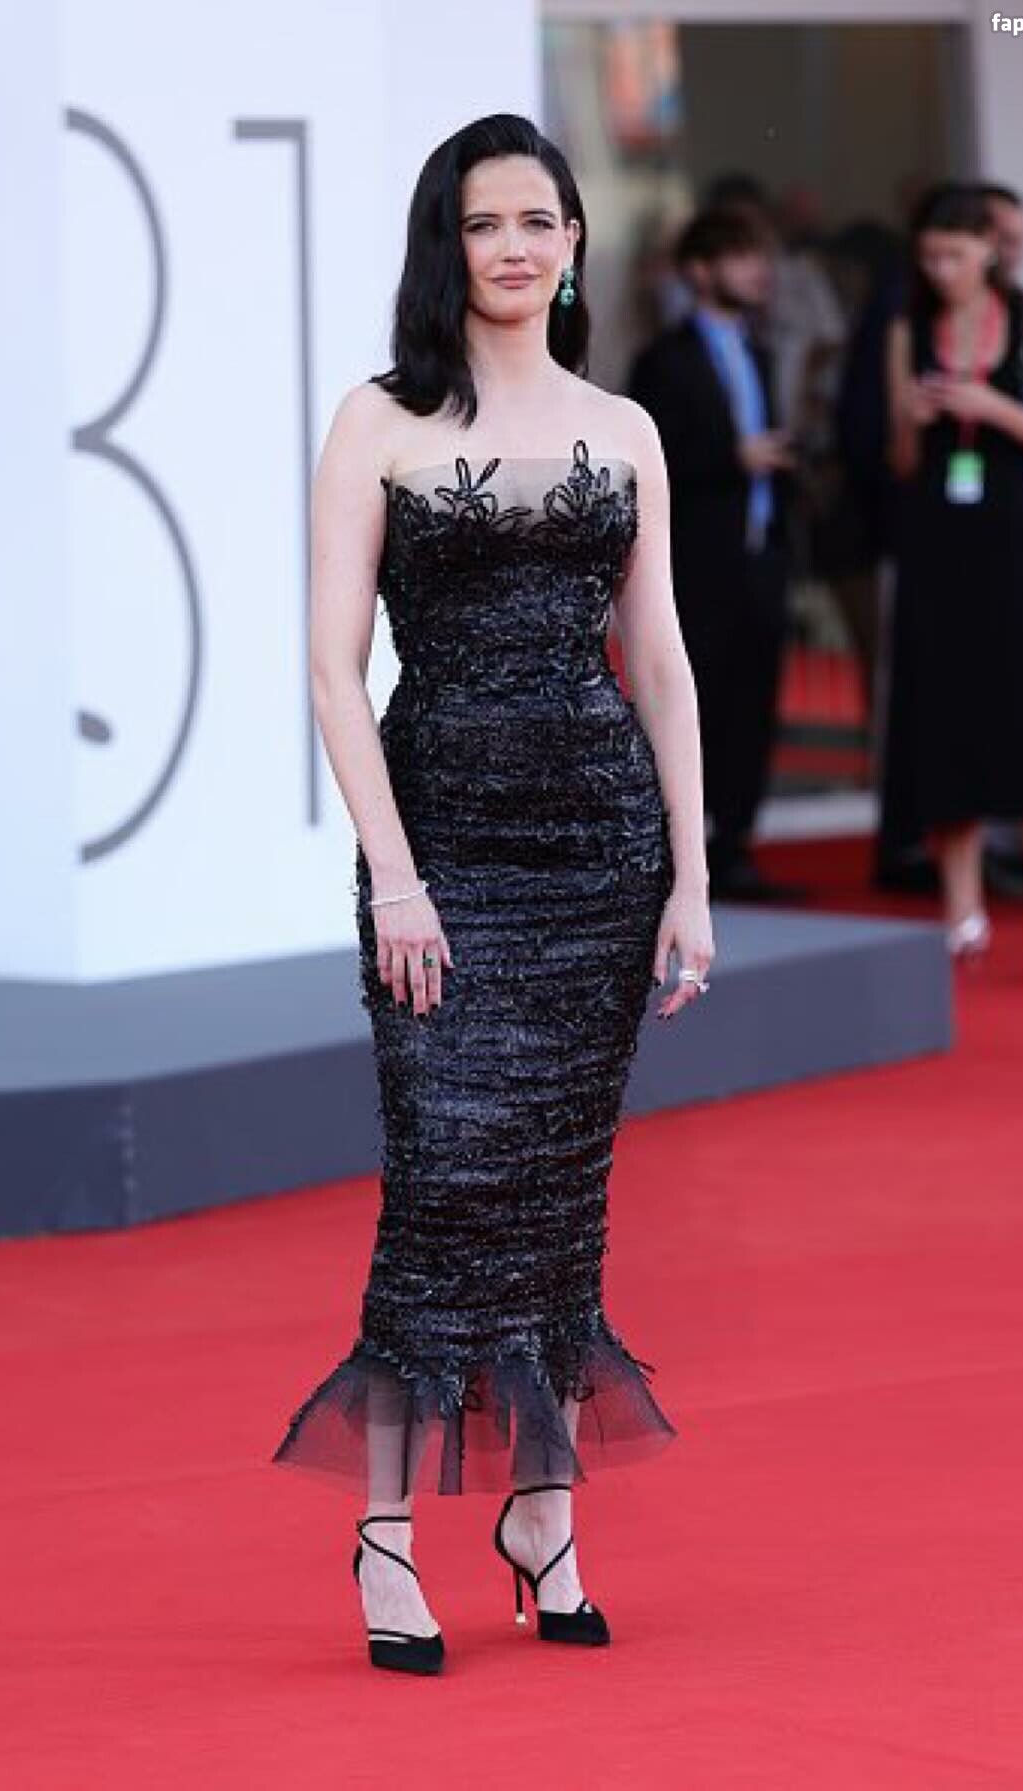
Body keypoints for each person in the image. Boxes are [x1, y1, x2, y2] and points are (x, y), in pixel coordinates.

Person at [270, 113, 714, 1674]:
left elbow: (660, 661)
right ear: (443, 245)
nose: (514, 246)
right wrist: (397, 878)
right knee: (443, 1185)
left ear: (576, 241)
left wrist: (691, 874)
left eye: (539, 220)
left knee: (562, 1196)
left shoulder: (625, 426)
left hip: (600, 853)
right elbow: (333, 669)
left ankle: (543, 1511)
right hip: (443, 852)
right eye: (484, 223)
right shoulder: (378, 420)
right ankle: (386, 1529)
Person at [883, 182, 1023, 987]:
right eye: (930, 256)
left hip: (1010, 539)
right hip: (937, 542)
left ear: (989, 252)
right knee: (948, 720)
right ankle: (961, 914)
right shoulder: (909, 328)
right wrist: (911, 416)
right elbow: (900, 463)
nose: (942, 270)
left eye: (955, 256)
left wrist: (991, 406)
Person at [627, 205, 803, 901]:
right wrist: (734, 459)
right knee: (691, 703)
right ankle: (677, 849)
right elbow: (648, 464)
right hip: (696, 563)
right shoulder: (663, 359)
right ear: (700, 271)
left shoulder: (760, 349)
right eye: (740, 256)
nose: (758, 271)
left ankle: (735, 848)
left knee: (754, 704)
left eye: (760, 256)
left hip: (761, 555)